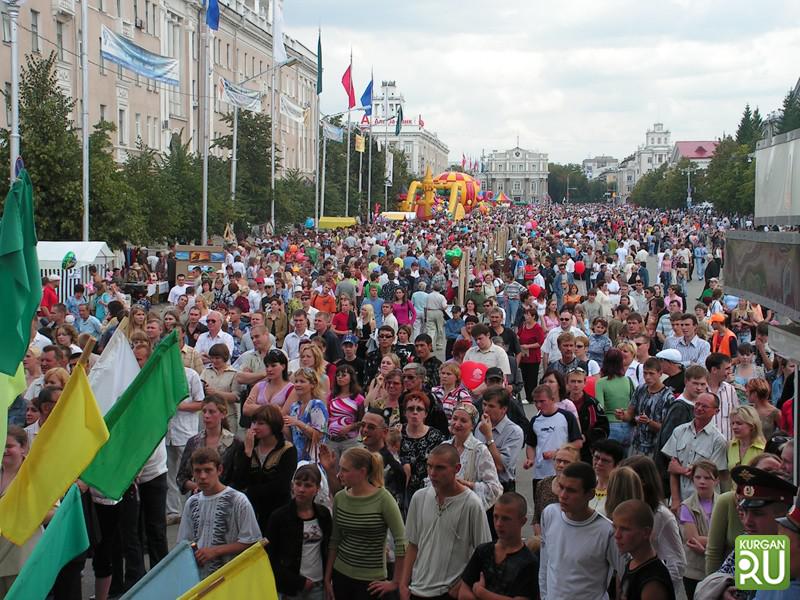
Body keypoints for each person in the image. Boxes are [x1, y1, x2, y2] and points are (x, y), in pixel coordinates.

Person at [400, 444, 492, 600]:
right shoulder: (419, 497)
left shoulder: (472, 504)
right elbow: (413, 544)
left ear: (457, 468)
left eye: (440, 468)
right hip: (416, 589)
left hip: (447, 592)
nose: (432, 473)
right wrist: (403, 585)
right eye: (429, 466)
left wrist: (461, 585)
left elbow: (484, 554)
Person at [325, 447, 407, 600]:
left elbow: (402, 541)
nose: (339, 474)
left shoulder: (383, 498)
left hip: (371, 582)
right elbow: (335, 540)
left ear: (362, 472)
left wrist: (395, 582)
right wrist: (327, 578)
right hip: (341, 575)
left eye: (345, 470)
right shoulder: (340, 498)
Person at [539, 461, 620, 600]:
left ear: (590, 494)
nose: (563, 495)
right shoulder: (549, 514)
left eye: (571, 490)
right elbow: (545, 563)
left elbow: (627, 573)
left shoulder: (607, 531)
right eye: (561, 487)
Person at [176, 447, 261, 578]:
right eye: (198, 471)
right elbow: (184, 542)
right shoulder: (191, 503)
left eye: (208, 470)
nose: (203, 476)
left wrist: (215, 551)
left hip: (231, 576)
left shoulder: (238, 501)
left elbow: (252, 541)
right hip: (200, 577)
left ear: (219, 470)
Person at [229, 404, 298, 534]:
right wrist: (247, 453)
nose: (255, 427)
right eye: (254, 422)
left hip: (277, 510)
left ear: (273, 425)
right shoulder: (246, 447)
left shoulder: (288, 450)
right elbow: (238, 480)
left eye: (261, 423)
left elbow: (281, 486)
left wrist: (249, 491)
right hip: (249, 510)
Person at [266, 465, 332, 600]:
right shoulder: (279, 517)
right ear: (292, 485)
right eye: (298, 484)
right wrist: (298, 582)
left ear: (317, 489)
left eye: (308, 485)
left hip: (318, 585)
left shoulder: (323, 515)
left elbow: (329, 548)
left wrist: (327, 578)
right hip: (290, 588)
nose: (301, 490)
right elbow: (270, 557)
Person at [459, 492, 539, 600]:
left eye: (506, 519)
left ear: (522, 521)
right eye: (495, 517)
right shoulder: (483, 551)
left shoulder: (528, 562)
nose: (498, 524)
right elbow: (463, 591)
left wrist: (482, 593)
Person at [0, 427, 47, 594]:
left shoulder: (35, 474)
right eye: (1, 445)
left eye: (9, 446)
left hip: (22, 559)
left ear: (23, 447)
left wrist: (23, 510)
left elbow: (53, 513)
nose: (4, 450)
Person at [662, 390, 729, 507]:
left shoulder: (718, 440)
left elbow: (709, 475)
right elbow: (672, 469)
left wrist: (681, 469)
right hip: (681, 500)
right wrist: (676, 500)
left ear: (716, 411)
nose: (699, 408)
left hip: (704, 503)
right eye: (697, 404)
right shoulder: (679, 431)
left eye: (705, 406)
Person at [613, 499, 676, 600]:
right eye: (615, 527)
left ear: (646, 532)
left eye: (625, 529)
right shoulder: (632, 564)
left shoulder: (652, 581)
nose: (617, 535)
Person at [444, 403, 503, 511]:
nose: (457, 424)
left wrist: (466, 484)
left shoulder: (479, 450)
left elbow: (494, 489)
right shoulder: (444, 447)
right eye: (455, 419)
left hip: (467, 510)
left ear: (472, 426)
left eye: (463, 421)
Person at [524, 384, 582, 488]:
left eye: (542, 401)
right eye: (536, 402)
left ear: (552, 399)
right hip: (540, 474)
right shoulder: (535, 420)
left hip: (563, 473)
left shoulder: (566, 416)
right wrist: (531, 459)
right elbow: (531, 444)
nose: (538, 405)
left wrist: (557, 453)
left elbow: (578, 443)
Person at [679, 461, 719, 599]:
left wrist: (705, 542)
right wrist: (719, 541)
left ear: (716, 481)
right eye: (698, 477)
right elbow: (692, 539)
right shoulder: (687, 506)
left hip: (718, 568)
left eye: (707, 478)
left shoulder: (723, 503)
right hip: (694, 572)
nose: (702, 481)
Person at [399, 392, 446, 510]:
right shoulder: (397, 433)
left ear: (425, 413)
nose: (415, 412)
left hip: (429, 492)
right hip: (403, 493)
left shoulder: (436, 436)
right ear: (405, 413)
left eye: (419, 409)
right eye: (410, 409)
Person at [474, 387, 524, 495]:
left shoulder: (514, 432)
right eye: (484, 404)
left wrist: (488, 437)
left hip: (502, 486)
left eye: (491, 406)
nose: (486, 409)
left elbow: (501, 466)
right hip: (481, 484)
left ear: (504, 409)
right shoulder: (480, 426)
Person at [624, 358, 675, 459]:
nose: (647, 377)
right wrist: (622, 415)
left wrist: (649, 422)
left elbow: (667, 429)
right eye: (645, 373)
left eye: (651, 373)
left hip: (655, 449)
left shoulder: (668, 397)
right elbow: (629, 414)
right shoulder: (640, 389)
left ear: (660, 373)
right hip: (636, 444)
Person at [532, 444, 581, 536]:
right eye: (558, 461)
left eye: (566, 462)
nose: (561, 465)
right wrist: (541, 540)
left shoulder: (580, 488)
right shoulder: (543, 484)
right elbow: (536, 518)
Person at [285, 367, 329, 462]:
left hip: (313, 459)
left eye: (302, 381)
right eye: (296, 381)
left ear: (312, 384)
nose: (297, 384)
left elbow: (318, 436)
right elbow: (293, 436)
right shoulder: (295, 407)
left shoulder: (317, 405)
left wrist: (298, 423)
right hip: (297, 459)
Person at [596, 348, 635, 448]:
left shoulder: (601, 382)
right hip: (628, 426)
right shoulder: (629, 381)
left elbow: (600, 407)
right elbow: (634, 403)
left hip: (610, 426)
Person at [326, 364, 365, 458]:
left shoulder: (358, 398)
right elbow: (328, 416)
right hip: (332, 441)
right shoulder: (331, 396)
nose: (340, 377)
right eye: (338, 375)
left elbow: (363, 421)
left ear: (351, 377)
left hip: (349, 441)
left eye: (343, 375)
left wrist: (349, 427)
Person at [705, 353, 738, 442]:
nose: (730, 372)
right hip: (704, 445)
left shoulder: (730, 389)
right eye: (727, 368)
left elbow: (736, 416)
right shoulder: (699, 390)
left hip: (726, 445)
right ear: (714, 370)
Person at [590, 439, 625, 514]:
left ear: (618, 464)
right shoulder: (586, 483)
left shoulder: (620, 490)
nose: (599, 463)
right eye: (596, 457)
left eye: (605, 460)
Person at [727, 405, 767, 470]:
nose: (734, 427)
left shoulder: (764, 448)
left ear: (751, 425)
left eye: (739, 423)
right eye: (732, 423)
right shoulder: (729, 446)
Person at [517, 308, 544, 402]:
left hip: (533, 357)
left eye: (528, 315)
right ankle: (528, 396)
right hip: (524, 357)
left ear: (533, 316)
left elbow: (540, 342)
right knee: (524, 377)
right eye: (525, 314)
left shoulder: (538, 328)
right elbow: (518, 335)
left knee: (532, 378)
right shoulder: (524, 326)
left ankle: (532, 397)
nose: (526, 317)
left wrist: (528, 346)